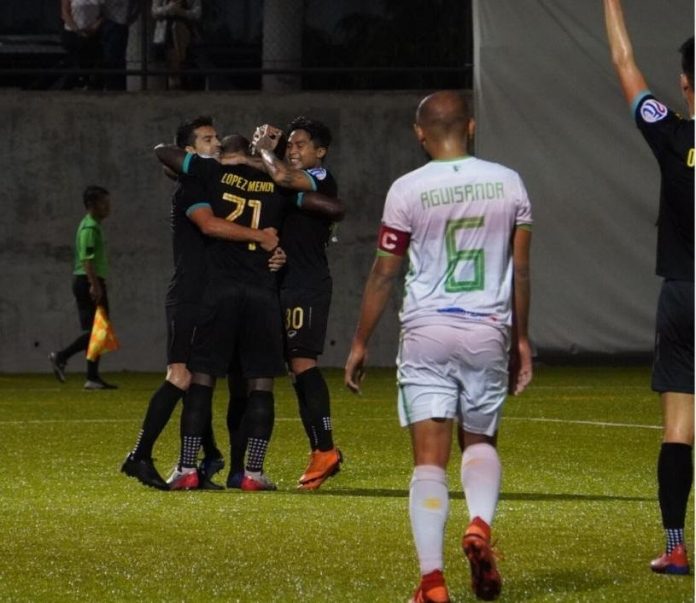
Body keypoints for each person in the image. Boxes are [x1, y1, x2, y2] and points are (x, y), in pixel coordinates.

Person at [344, 90, 532, 602]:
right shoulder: (509, 183)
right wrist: (520, 338)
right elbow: (520, 271)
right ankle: (478, 524)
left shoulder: (406, 189)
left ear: (419, 133)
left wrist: (360, 341)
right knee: (481, 442)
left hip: (427, 329)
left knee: (429, 462)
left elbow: (385, 273)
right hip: (487, 328)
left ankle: (431, 582)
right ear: (470, 126)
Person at [121, 117, 281, 491]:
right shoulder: (195, 183)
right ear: (191, 151)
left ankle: (205, 459)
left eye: (218, 141)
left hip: (213, 292)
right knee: (184, 376)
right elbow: (209, 224)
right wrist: (263, 237)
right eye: (208, 140)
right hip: (193, 293)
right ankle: (140, 455)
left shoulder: (212, 180)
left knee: (198, 376)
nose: (216, 145)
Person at [603, 0, 694, 576]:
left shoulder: (672, 133)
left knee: (679, 426)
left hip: (685, 294)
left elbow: (624, 60)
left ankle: (676, 544)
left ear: (685, 83)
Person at [254, 118, 345, 490]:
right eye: (289, 145)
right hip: (286, 283)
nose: (293, 150)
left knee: (304, 363)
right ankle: (319, 451)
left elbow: (287, 179)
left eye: (301, 144)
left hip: (306, 285)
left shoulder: (320, 176)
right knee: (295, 368)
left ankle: (326, 448)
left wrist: (264, 149)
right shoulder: (287, 181)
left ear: (319, 152)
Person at [50, 185, 119, 390]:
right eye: (103, 203)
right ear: (91, 205)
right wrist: (94, 285)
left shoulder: (93, 225)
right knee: (96, 331)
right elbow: (87, 259)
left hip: (91, 281)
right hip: (88, 282)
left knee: (99, 331)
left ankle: (92, 377)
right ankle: (61, 356)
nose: (107, 207)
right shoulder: (89, 228)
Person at [151, 0, 202, 90]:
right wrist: (169, 9)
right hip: (166, 35)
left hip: (186, 35)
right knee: (170, 66)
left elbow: (197, 14)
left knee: (184, 66)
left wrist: (181, 12)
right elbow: (154, 12)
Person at [60, 0, 103, 90]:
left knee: (92, 62)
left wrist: (95, 27)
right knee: (76, 61)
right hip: (73, 33)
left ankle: (89, 86)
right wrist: (78, 30)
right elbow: (65, 13)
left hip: (92, 33)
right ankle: (67, 87)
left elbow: (103, 14)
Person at [101, 0, 140, 90]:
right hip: (114, 21)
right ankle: (115, 86)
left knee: (113, 57)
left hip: (115, 22)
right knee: (114, 57)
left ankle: (114, 86)